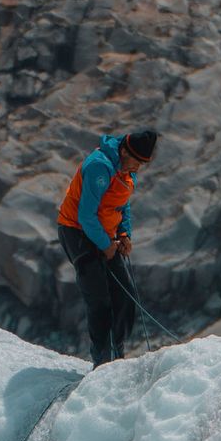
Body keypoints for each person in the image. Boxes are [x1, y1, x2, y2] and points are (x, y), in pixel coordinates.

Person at [56, 128, 157, 366]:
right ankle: (102, 360)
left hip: (104, 234)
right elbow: (86, 215)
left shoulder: (125, 169)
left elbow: (122, 205)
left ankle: (116, 353)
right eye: (136, 162)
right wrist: (105, 245)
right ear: (124, 151)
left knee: (124, 297)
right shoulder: (99, 167)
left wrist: (124, 234)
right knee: (99, 298)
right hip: (76, 231)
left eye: (142, 163)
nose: (138, 168)